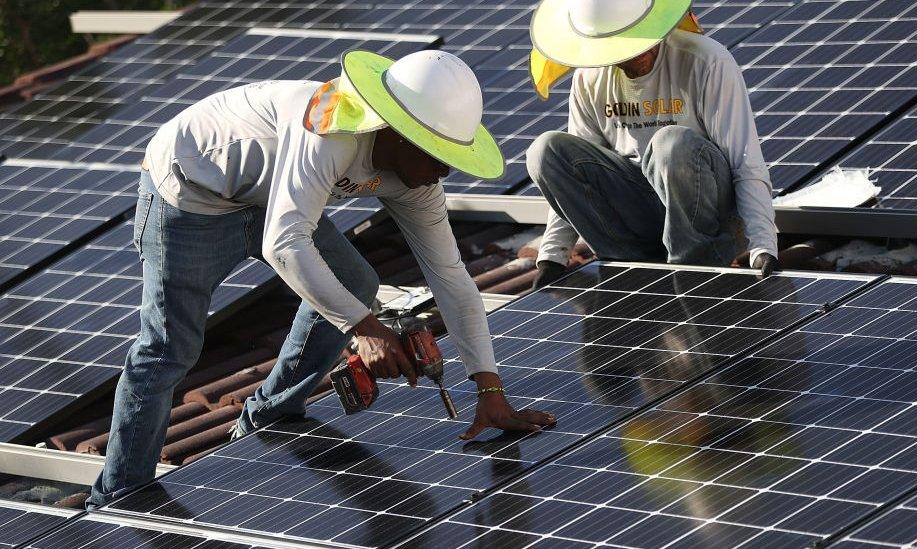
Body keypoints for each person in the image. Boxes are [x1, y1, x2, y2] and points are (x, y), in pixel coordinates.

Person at [88, 50, 556, 509]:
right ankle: (118, 496)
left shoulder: (419, 179)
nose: (445, 170)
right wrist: (365, 328)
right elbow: (285, 244)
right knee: (170, 347)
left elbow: (451, 278)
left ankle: (269, 415)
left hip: (271, 195)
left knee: (355, 282)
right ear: (395, 131)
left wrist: (490, 389)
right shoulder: (329, 129)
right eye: (437, 154)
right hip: (191, 192)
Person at [526, 0, 780, 290]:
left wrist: (762, 245)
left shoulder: (706, 61)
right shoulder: (590, 78)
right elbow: (576, 177)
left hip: (709, 214)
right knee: (545, 150)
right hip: (641, 210)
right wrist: (552, 257)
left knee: (670, 144)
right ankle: (632, 268)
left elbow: (745, 161)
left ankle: (691, 269)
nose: (635, 55)